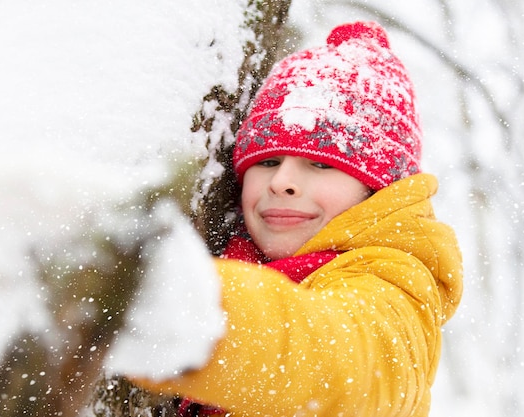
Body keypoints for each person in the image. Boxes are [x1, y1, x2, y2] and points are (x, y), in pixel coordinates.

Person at [130, 21, 463, 416]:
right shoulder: (239, 257)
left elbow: (332, 356)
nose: (282, 182)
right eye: (268, 161)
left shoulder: (397, 286)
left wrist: (178, 301)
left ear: (377, 189)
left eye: (321, 164)